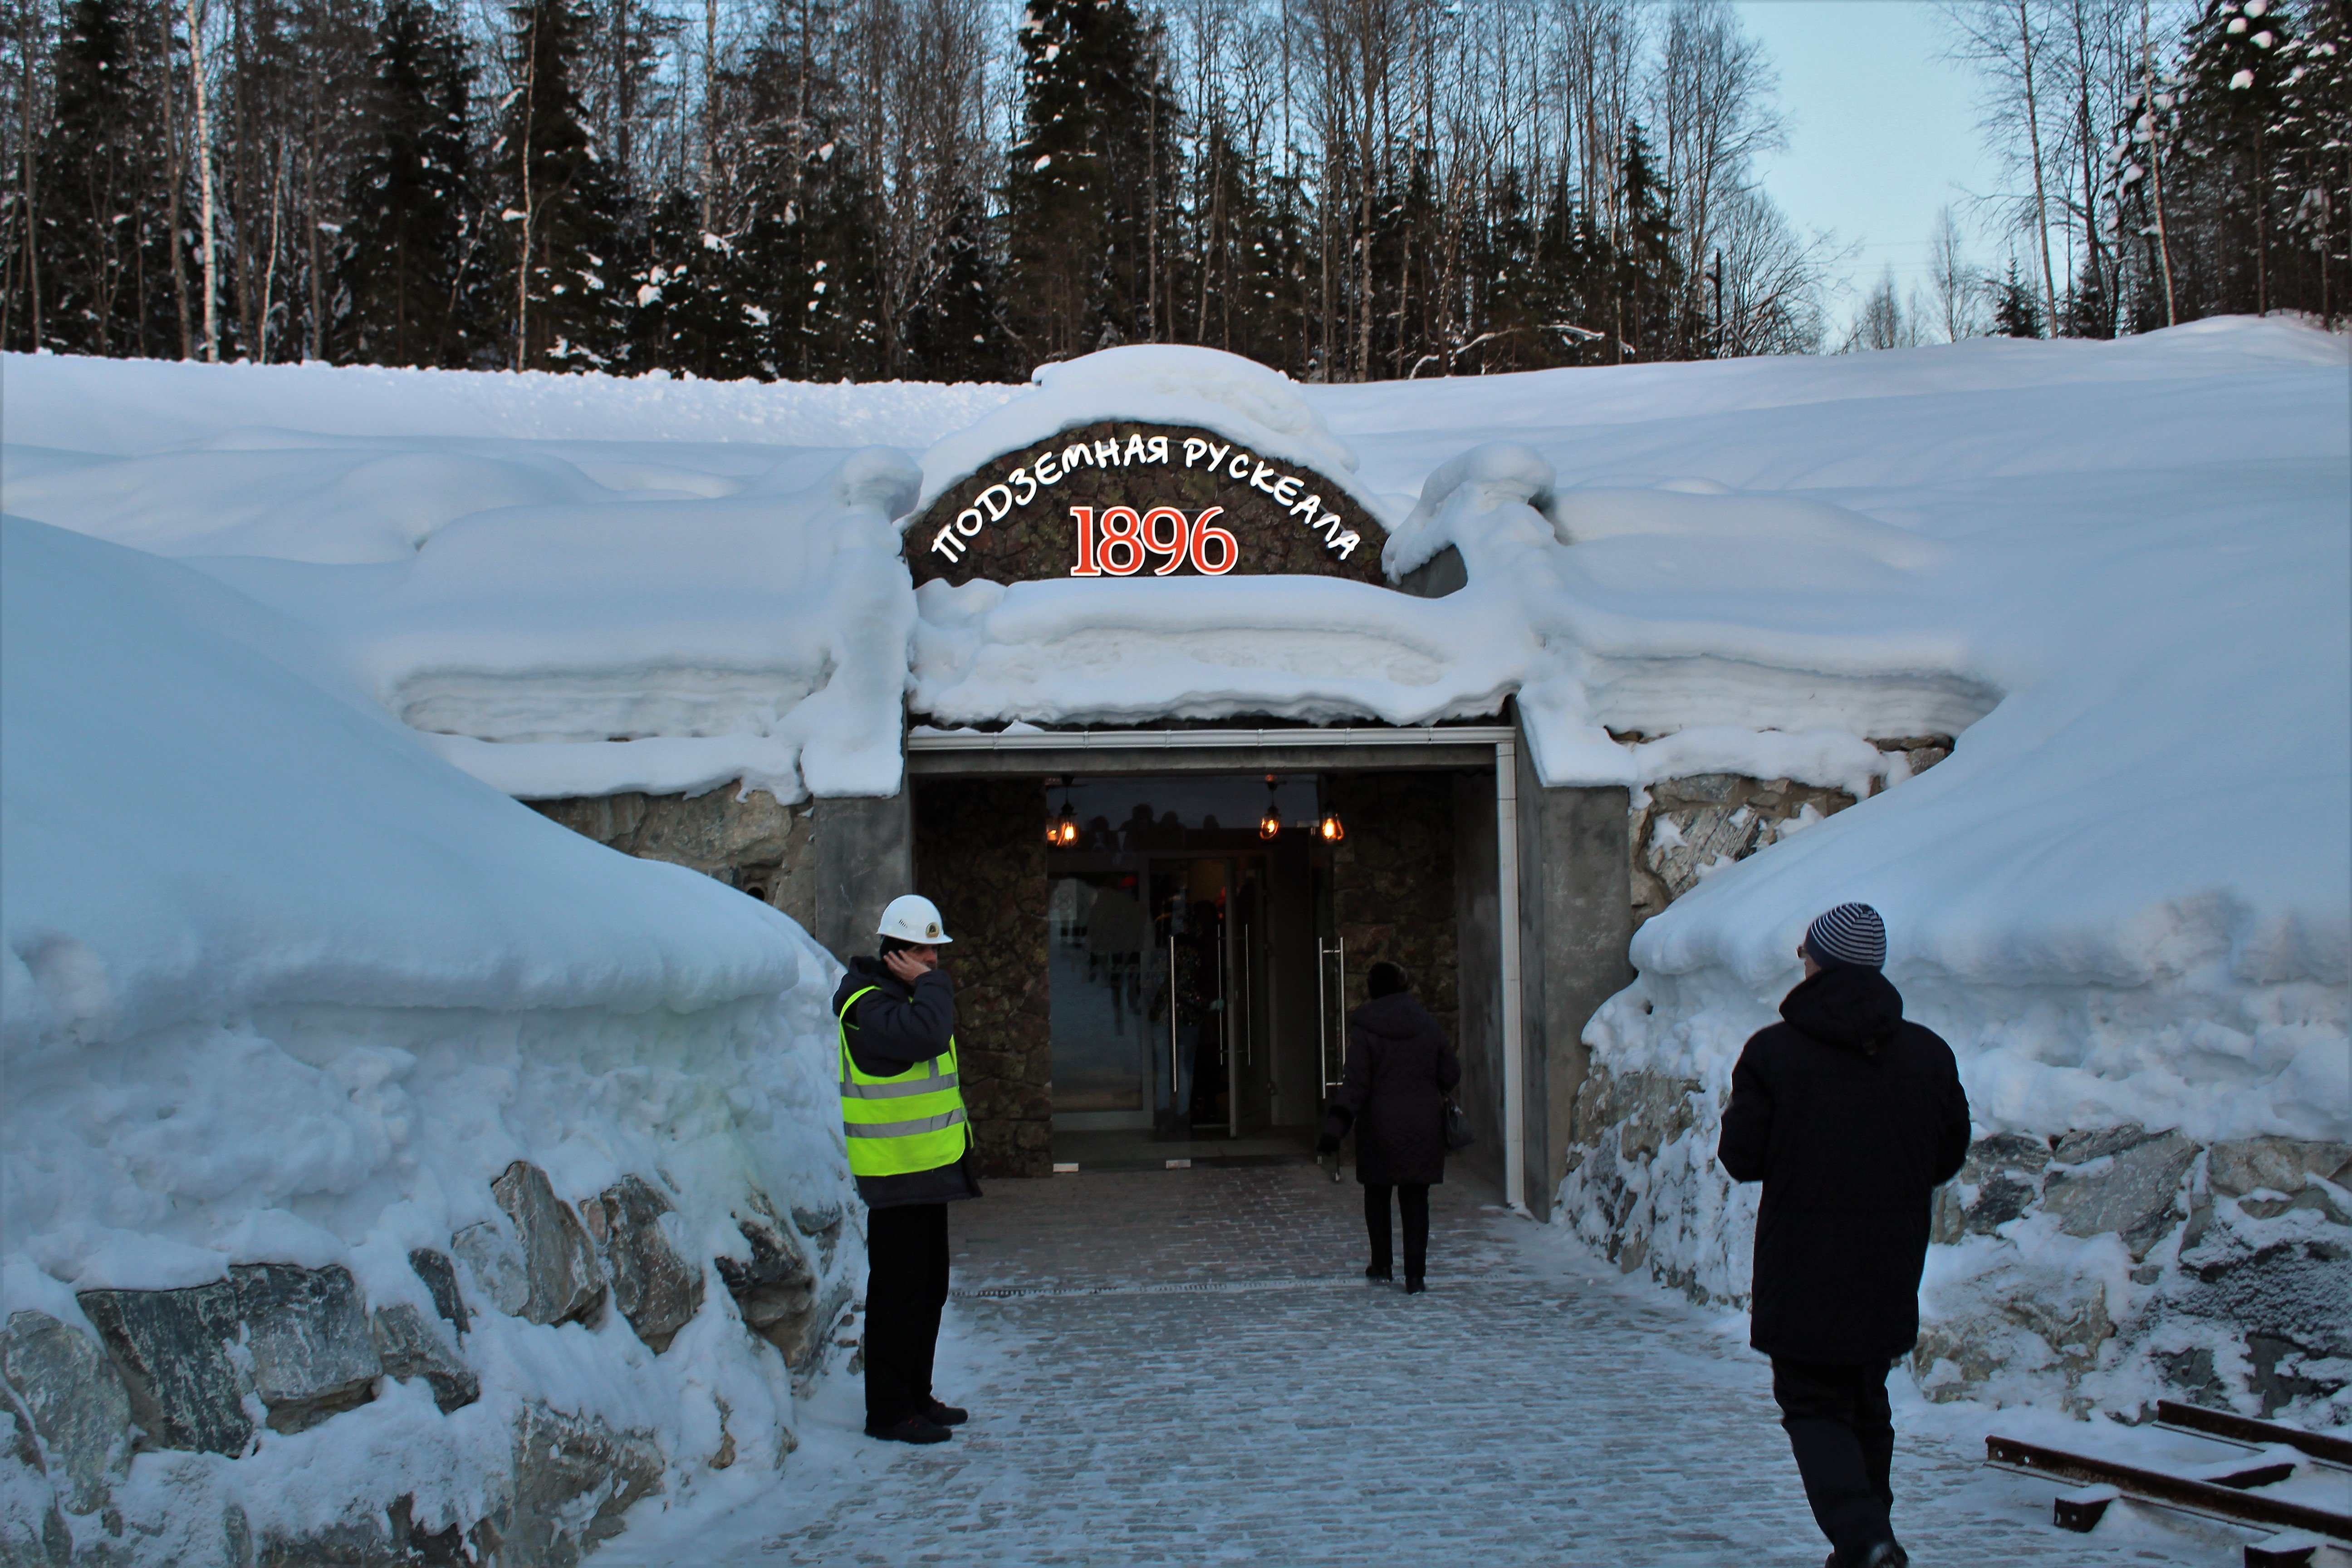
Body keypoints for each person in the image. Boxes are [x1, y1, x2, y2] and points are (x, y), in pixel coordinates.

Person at [1718, 903, 1970, 1568]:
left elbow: (1743, 1157)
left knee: (1812, 1406)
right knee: (1866, 1401)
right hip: (1889, 1262)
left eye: (1805, 949)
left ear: (1816, 961)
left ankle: (1863, 1539)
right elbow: (1946, 1155)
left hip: (1802, 1264)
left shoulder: (1774, 1052)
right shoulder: (1929, 1054)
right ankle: (1867, 1546)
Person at [833, 893, 981, 1446]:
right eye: (927, 952)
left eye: (938, 953)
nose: (936, 962)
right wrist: (932, 987)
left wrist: (926, 987)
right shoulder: (866, 1007)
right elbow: (927, 1037)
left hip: (927, 1170)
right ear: (899, 952)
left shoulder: (908, 996)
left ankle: (916, 1397)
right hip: (895, 1174)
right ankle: (889, 1413)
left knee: (928, 1289)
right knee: (897, 1297)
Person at [1317, 961, 1460, 1294]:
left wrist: (1333, 1130)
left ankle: (1382, 1264)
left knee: (1377, 1193)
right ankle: (1416, 1276)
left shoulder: (1366, 1029)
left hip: (1379, 1125)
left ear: (1373, 989)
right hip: (1424, 1125)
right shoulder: (1428, 1024)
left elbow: (1355, 1086)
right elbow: (1451, 1074)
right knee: (1416, 1198)